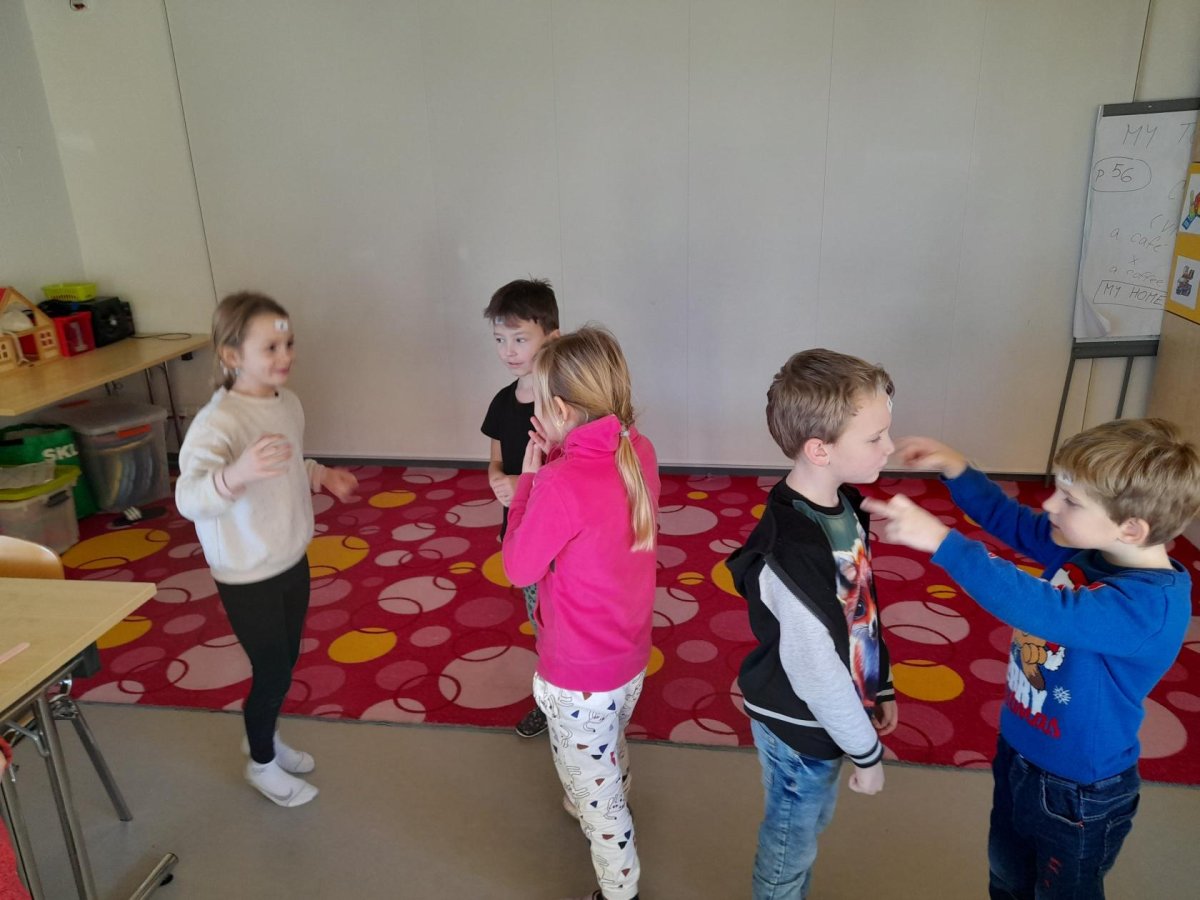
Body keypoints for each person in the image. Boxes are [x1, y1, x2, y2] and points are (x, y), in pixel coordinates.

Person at [865, 418, 1200, 899]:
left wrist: (943, 543)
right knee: (1006, 878)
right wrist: (958, 469)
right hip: (1019, 755)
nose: (1049, 504)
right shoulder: (1088, 547)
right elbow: (1014, 521)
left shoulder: (1148, 609)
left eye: (1070, 500)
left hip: (1078, 792)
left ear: (1130, 528)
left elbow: (1039, 606)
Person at [727, 348, 899, 900]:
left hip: (835, 716)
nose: (890, 447)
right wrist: (866, 754)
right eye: (875, 438)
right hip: (800, 723)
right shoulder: (793, 549)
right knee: (789, 845)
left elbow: (860, 607)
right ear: (819, 449)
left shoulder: (842, 504)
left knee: (810, 821)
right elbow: (817, 671)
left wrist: (879, 683)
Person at [175, 291, 357, 808]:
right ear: (232, 356)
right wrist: (236, 474)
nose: (285, 356)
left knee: (286, 659)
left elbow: (287, 463)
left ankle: (265, 736)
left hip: (290, 555)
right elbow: (189, 497)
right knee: (272, 670)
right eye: (271, 347)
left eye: (288, 343)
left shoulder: (287, 403)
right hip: (245, 570)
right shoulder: (218, 422)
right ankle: (260, 763)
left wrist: (320, 475)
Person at [502, 326, 659, 900]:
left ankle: (620, 888)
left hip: (576, 676)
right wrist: (559, 453)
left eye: (541, 404)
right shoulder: (638, 449)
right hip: (629, 656)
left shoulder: (559, 482)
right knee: (607, 740)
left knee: (603, 810)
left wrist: (529, 479)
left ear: (562, 411)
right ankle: (596, 790)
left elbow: (518, 567)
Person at [481, 278, 560, 739]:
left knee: (568, 615)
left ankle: (580, 691)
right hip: (522, 533)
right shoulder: (501, 402)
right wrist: (498, 479)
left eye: (519, 338)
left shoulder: (564, 404)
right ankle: (552, 700)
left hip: (560, 535)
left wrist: (524, 484)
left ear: (551, 337)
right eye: (499, 340)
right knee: (540, 620)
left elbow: (575, 470)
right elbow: (496, 458)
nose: (508, 351)